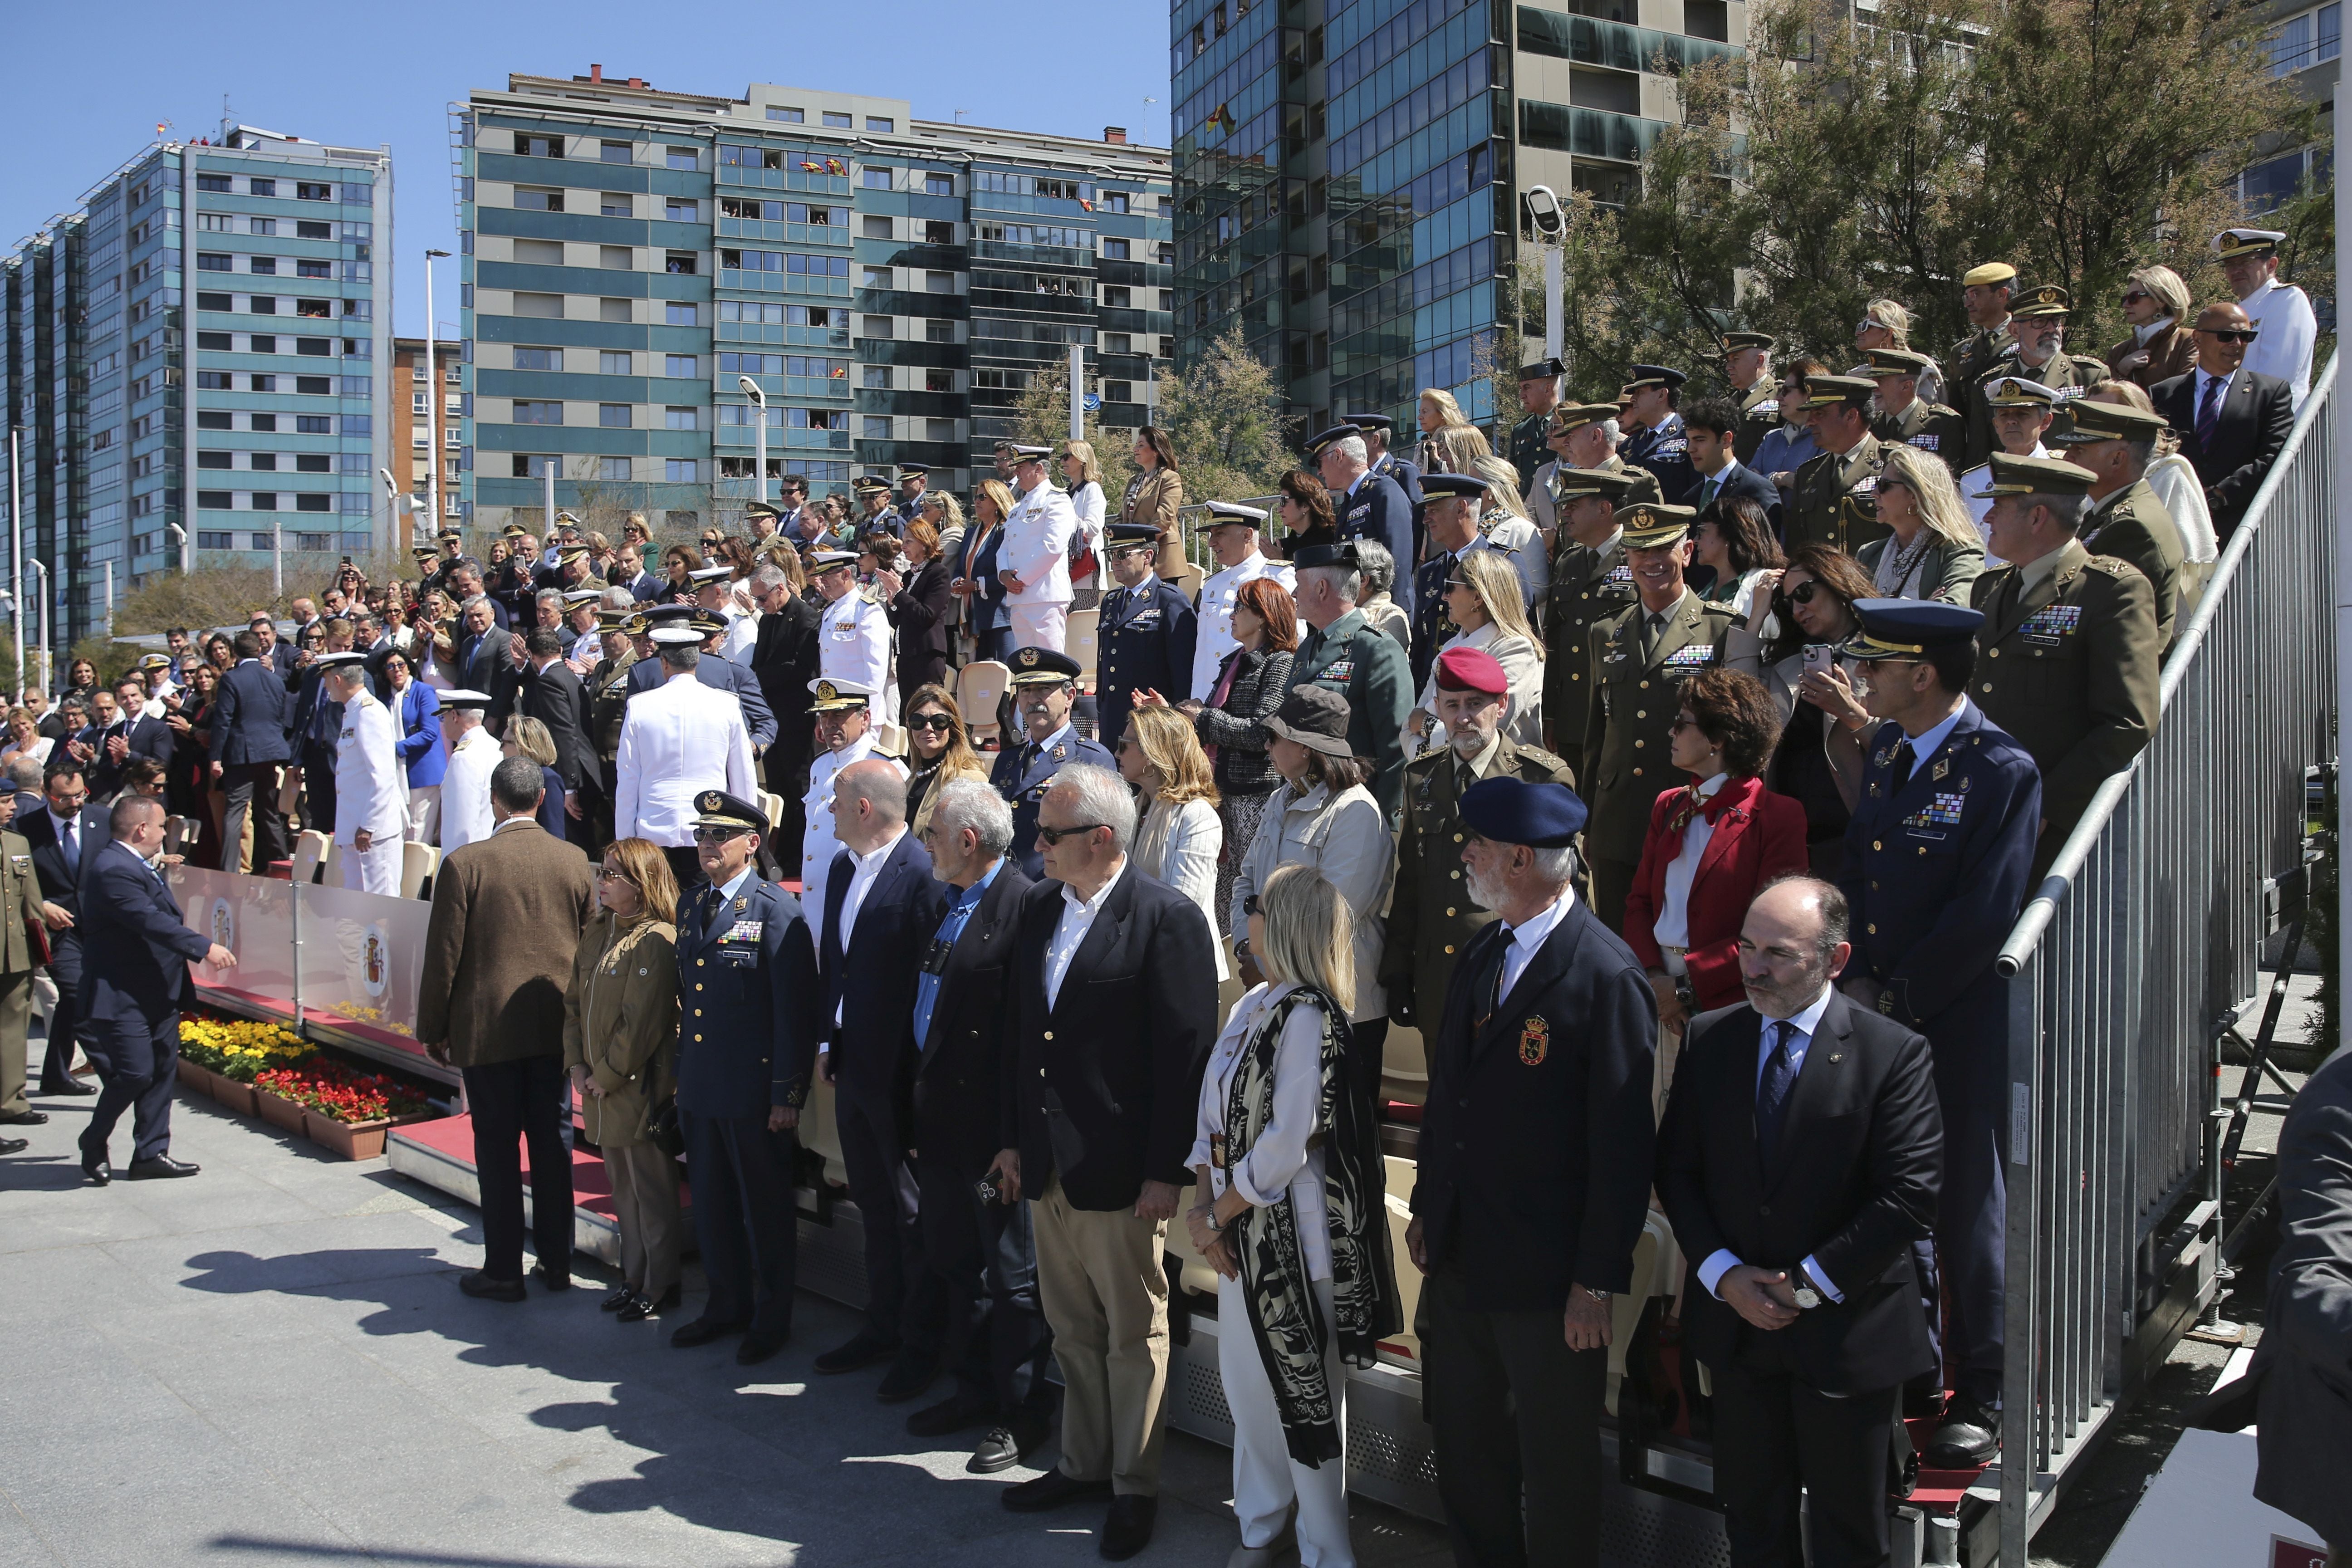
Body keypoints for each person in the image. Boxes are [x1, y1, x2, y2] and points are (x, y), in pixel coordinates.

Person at [1657, 876, 1944, 1568]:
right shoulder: (1710, 1039)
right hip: (1740, 1333)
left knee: (1850, 1536)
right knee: (1755, 1526)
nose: (1754, 968)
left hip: (1846, 1337)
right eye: (1747, 947)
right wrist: (1725, 1277)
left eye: (1778, 954)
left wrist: (1806, 1285)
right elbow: (1676, 1172)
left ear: (1835, 960)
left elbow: (1911, 1194)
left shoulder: (1893, 1053)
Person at [1406, 776, 1657, 1568]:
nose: (1465, 857)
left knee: (1553, 1465)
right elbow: (1448, 1099)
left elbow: (1621, 1149)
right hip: (1461, 1259)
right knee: (1465, 1446)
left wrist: (1593, 1280)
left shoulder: (1602, 974)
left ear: (1519, 857)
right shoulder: (1485, 947)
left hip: (1548, 1283)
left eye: (1476, 845)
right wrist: (1424, 1208)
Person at [1831, 598, 2041, 1469]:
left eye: (1875, 667)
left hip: (1949, 1019)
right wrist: (1849, 971)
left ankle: (1981, 1387)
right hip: (1878, 1005)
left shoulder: (1998, 768)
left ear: (1920, 675)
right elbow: (1861, 865)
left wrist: (1900, 995)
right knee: (1887, 1188)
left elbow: (1984, 909)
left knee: (1962, 1200)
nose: (1861, 679)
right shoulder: (1884, 748)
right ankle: (1912, 1365)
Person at [992, 764, 1217, 1559]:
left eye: (1050, 834)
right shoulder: (1039, 910)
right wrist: (1013, 1139)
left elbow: (1183, 1057)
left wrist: (1166, 1169)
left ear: (1100, 838)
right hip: (1051, 1164)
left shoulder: (1166, 919)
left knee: (1131, 1333)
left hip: (1122, 1171)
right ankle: (1081, 1462)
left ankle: (1133, 1484)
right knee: (1070, 1328)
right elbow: (1023, 1036)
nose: (1036, 846)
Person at [1190, 865, 1394, 1568]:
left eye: (1256, 904)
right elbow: (1210, 1117)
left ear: (1286, 924)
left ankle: (1325, 1552)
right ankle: (1260, 1525)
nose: (1246, 913)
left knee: (1304, 1402)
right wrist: (1202, 1204)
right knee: (1250, 1399)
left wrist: (1214, 1215)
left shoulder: (1308, 1016)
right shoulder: (1253, 1005)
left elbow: (1286, 1140)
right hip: (1234, 1227)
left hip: (1291, 1242)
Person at [902, 780, 1055, 1470]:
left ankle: (1021, 1411)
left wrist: (1014, 1140)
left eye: (934, 832)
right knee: (957, 1263)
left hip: (993, 1136)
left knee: (1012, 1277)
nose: (925, 842)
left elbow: (1026, 1039)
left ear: (968, 841)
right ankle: (972, 1387)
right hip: (942, 1125)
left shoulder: (1024, 906)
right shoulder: (950, 901)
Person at [417, 757, 595, 1297]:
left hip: (487, 1028)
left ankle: (503, 1270)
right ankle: (558, 1263)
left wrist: (434, 1026)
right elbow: (589, 950)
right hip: (552, 1027)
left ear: (495, 800)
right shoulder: (574, 860)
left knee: (496, 1149)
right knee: (552, 1142)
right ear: (542, 799)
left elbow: (444, 953)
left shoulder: (466, 863)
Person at [668, 789, 820, 1365]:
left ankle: (771, 1317)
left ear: (752, 845)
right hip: (704, 1084)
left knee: (765, 1209)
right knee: (711, 1203)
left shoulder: (774, 910)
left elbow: (793, 1012)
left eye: (720, 836)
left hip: (754, 1092)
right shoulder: (692, 905)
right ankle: (725, 1305)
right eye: (702, 834)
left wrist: (787, 1094)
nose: (707, 845)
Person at [1968, 452, 2160, 871]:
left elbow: (2127, 721)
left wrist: (2046, 807)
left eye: (1997, 508)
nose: (1987, 520)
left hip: (2048, 826)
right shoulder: (1991, 587)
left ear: (2037, 517)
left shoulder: (2111, 591)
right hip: (1982, 801)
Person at [1382, 646, 1577, 1061]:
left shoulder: (1540, 778)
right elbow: (1411, 882)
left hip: (1511, 980)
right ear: (1437, 707)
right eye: (1451, 705)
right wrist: (1398, 966)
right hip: (1440, 984)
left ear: (1502, 705)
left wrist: (1568, 978)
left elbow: (1572, 890)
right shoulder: (1421, 777)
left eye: (1476, 704)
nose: (1463, 717)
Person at [1622, 667, 1807, 1088]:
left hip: (1732, 1000)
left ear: (1717, 739)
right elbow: (1639, 904)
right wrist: (1654, 982)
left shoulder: (1778, 816)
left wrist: (1686, 987)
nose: (1670, 732)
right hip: (1656, 998)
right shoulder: (1669, 805)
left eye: (1681, 723)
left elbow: (1774, 930)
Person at [1230, 686, 1393, 1106]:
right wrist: (1250, 948)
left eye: (1275, 737)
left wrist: (1266, 961)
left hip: (1340, 1008)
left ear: (1303, 748)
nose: (1267, 746)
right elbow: (1245, 884)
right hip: (1280, 993)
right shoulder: (1279, 799)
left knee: (1339, 1149)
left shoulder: (1356, 811)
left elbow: (1332, 915)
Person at [1582, 503, 1737, 931]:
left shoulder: (1721, 630)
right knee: (1617, 942)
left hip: (1689, 816)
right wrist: (1591, 821)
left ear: (1687, 552)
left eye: (1662, 549)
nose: (1650, 562)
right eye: (1638, 551)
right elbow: (1599, 732)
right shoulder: (1605, 632)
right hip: (1618, 820)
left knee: (1680, 946)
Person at [76, 794, 237, 1184]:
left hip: (158, 990)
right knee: (135, 1073)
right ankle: (93, 1140)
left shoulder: (137, 864)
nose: (167, 834)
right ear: (142, 829)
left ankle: (151, 1153)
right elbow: (149, 921)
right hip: (123, 994)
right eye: (163, 826)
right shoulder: (113, 869)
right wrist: (205, 947)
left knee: (163, 1072)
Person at [563, 838, 683, 1322]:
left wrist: (606, 1076)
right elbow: (573, 1004)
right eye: (603, 871)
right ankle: (632, 1277)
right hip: (599, 1087)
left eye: (613, 875)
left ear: (643, 883)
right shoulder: (599, 931)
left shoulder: (658, 937)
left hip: (635, 1088)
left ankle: (661, 1282)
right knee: (623, 1190)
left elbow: (643, 1023)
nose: (602, 881)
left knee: (651, 1192)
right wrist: (577, 1065)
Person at [1152, 575, 1295, 936]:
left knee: (1254, 882)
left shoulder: (1278, 663)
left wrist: (1202, 717)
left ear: (1263, 616)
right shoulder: (1234, 660)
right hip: (1221, 789)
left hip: (1254, 794)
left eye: (1240, 608)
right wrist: (1171, 711)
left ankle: (1260, 960)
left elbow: (1262, 731)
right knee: (1223, 884)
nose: (1231, 615)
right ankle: (1227, 965)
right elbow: (1212, 722)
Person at [1728, 547, 1876, 881]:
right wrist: (1758, 614)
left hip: (1856, 829)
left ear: (1837, 582)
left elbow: (1910, 746)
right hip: (1792, 835)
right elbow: (1736, 703)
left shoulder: (1885, 652)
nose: (1797, 610)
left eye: (1805, 594)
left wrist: (1852, 714)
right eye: (1788, 603)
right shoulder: (1789, 662)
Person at [615, 626, 758, 891]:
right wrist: (746, 834)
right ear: (697, 660)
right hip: (709, 832)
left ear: (664, 663)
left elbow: (627, 780)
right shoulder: (726, 704)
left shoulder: (640, 706)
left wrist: (626, 844)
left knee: (659, 918)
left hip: (653, 832)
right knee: (702, 915)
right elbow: (743, 775)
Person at [2150, 299, 2298, 543]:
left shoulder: (2270, 392)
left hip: (2242, 528)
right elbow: (2153, 455)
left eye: (2246, 336)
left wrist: (2220, 495)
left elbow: (2274, 457)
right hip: (2176, 524)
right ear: (2198, 339)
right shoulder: (2163, 394)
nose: (2237, 344)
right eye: (2227, 336)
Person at [2050, 396, 2189, 650]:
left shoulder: (2133, 528)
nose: (2068, 456)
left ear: (2117, 460)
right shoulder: (2111, 511)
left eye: (2080, 450)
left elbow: (2095, 617)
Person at [1287, 543, 1412, 822]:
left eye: (1298, 584)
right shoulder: (1308, 648)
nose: (1294, 594)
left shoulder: (1376, 649)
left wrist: (1388, 823)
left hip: (1354, 811)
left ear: (1321, 589)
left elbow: (1396, 748)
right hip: (1307, 802)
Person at [1541, 466, 1642, 779]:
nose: (1564, 513)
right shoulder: (1568, 562)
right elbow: (1555, 641)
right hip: (1574, 715)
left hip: (1619, 714)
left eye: (1573, 505)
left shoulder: (1639, 557)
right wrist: (1551, 713)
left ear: (1605, 508)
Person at [1117, 705, 1227, 983]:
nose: (1117, 753)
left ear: (1152, 755)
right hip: (1135, 960)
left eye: (1124, 745)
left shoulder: (1197, 816)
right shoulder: (1133, 809)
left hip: (1182, 968)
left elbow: (1183, 904)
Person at [988, 649, 1114, 880]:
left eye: (1044, 689)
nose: (1033, 699)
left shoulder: (1090, 759)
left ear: (1070, 697)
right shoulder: (1007, 760)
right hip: (1005, 888)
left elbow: (1103, 845)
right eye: (1025, 690)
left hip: (1057, 890)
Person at [20, 768, 104, 1097]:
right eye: (64, 798)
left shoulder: (102, 819)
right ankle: (118, 1071)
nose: (74, 803)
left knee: (72, 1002)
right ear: (45, 792)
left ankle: (55, 1073)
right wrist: (42, 905)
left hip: (98, 926)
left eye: (80, 794)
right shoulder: (25, 829)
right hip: (57, 931)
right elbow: (15, 882)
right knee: (76, 992)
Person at [1412, 550, 1544, 754]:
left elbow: (1486, 731)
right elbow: (1408, 727)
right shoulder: (1449, 649)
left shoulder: (1518, 651)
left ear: (1477, 598)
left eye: (1451, 587)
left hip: (1504, 778)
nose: (1444, 596)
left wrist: (1427, 726)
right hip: (1448, 776)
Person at [801, 678, 904, 936]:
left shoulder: (885, 766)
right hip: (814, 901)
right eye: (824, 716)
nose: (830, 724)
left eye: (840, 715)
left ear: (866, 718)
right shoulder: (820, 766)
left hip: (855, 897)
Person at [1092, 522, 1197, 752]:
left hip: (1151, 717)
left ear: (1148, 555)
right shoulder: (1111, 601)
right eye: (1112, 555)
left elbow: (1184, 669)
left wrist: (1176, 714)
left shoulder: (1169, 600)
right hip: (1113, 716)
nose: (1115, 562)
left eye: (1122, 554)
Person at [316, 654, 407, 895]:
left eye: (326, 680)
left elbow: (384, 776)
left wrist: (368, 825)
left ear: (337, 680)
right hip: (356, 828)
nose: (325, 686)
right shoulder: (353, 712)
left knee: (381, 906)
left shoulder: (369, 712)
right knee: (359, 908)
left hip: (372, 832)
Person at [1856, 443, 1988, 605]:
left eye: (1884, 486)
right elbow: (1851, 616)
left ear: (1915, 495)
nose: (1874, 493)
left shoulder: (1960, 551)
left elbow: (1954, 611)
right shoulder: (1869, 553)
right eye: (1877, 484)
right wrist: (1923, 607)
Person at [1191, 501, 1296, 701]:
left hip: (1249, 696)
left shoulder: (1278, 577)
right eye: (1211, 535)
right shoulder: (1212, 585)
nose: (1211, 543)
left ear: (1247, 535)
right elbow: (1204, 651)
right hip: (1206, 696)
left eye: (1219, 534)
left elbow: (1291, 641)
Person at [1309, 426, 1416, 623]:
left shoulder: (1384, 490)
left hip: (1382, 614)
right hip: (1358, 613)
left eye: (1320, 462)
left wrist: (1392, 616)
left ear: (1339, 456)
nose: (1320, 471)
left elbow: (1398, 559)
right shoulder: (1351, 502)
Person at [1410, 471, 1507, 685]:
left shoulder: (1501, 565)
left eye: (1433, 510)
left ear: (1462, 509)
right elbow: (1421, 645)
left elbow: (1514, 633)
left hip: (1481, 689)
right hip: (1435, 692)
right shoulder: (1430, 571)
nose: (1426, 519)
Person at [210, 628, 294, 873]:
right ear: (260, 651)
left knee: (235, 812)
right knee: (269, 811)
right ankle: (282, 866)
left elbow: (223, 720)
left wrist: (215, 757)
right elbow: (280, 718)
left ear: (234, 652)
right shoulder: (275, 679)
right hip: (270, 753)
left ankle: (230, 870)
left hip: (242, 755)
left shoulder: (231, 678)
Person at [2215, 225, 2318, 410]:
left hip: (2275, 423)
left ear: (2271, 265)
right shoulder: (2237, 311)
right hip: (2237, 420)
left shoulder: (2287, 299)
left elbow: (2275, 376)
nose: (2236, 270)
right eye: (2230, 264)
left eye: (2246, 262)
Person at [1785, 374, 1888, 556]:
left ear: (1851, 416)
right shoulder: (1808, 474)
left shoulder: (1894, 464)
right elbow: (1797, 546)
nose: (1809, 422)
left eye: (1820, 414)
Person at [0, 783, 48, 1141]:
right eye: (4, 802)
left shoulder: (16, 844)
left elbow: (31, 900)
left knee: (14, 1028)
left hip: (15, 952)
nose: (12, 807)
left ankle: (13, 1101)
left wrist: (40, 948)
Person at [1957, 375, 2060, 540]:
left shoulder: (2066, 475)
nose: (2011, 421)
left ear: (2046, 421)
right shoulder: (1973, 482)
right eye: (2004, 415)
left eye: (2023, 414)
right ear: (1996, 424)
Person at [998, 446, 1078, 652]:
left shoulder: (1057, 500)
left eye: (1022, 467)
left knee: (1051, 660)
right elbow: (1004, 548)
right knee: (1026, 664)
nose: (1016, 472)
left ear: (1039, 468)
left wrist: (1020, 579)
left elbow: (1053, 547)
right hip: (1019, 596)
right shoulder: (1017, 508)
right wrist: (1004, 575)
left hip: (1045, 595)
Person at [810, 548, 897, 726]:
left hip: (860, 714)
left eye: (827, 575)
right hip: (833, 710)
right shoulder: (830, 612)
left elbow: (876, 669)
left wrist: (866, 713)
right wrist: (823, 717)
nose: (822, 581)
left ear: (846, 574)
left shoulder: (867, 611)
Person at [878, 518, 955, 706]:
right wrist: (892, 601)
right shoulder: (909, 575)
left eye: (909, 542)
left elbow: (927, 615)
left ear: (924, 543)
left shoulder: (938, 573)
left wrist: (899, 593)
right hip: (905, 654)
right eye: (903, 541)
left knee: (930, 708)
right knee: (908, 712)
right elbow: (899, 620)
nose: (903, 546)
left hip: (927, 653)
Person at [902, 684, 991, 839]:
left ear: (953, 726)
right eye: (918, 721)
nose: (928, 728)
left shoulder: (969, 779)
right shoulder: (911, 779)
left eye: (939, 721)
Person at [1680, 397, 1782, 526]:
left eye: (1700, 440)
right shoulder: (1690, 498)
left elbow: (1767, 545)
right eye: (1689, 441)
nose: (1690, 449)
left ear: (1726, 440)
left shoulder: (1757, 491)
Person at [381, 651, 445, 843]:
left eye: (400, 665)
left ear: (409, 666)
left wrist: (395, 748)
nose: (397, 671)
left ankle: (416, 874)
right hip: (397, 773)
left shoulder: (424, 691)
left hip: (423, 773)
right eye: (391, 667)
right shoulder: (386, 698)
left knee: (417, 833)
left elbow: (430, 732)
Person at [952, 479, 1016, 665]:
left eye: (983, 497)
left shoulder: (1005, 531)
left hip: (1001, 614)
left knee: (1006, 669)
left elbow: (1010, 571)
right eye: (976, 498)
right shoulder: (970, 533)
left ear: (997, 501)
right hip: (977, 616)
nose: (977, 502)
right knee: (983, 671)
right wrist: (958, 582)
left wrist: (977, 585)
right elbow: (960, 567)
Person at [2104, 264, 2197, 388]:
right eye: (2124, 299)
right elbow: (2099, 397)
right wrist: (2121, 371)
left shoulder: (2189, 341)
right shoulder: (2119, 351)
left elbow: (2185, 394)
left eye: (2133, 298)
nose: (2126, 305)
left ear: (2160, 300)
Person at [1862, 347, 1965, 458]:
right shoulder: (1870, 425)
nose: (1874, 388)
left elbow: (1951, 473)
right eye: (1873, 381)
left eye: (1880, 381)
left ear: (1906, 386)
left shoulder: (1942, 423)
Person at [1691, 494, 1784, 616]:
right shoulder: (1703, 594)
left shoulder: (1769, 585)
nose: (1695, 540)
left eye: (1702, 531)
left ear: (1730, 533)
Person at [435, 689, 502, 855]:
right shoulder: (495, 747)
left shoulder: (463, 757)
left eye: (443, 717)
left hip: (466, 860)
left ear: (454, 716)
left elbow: (461, 827)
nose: (442, 724)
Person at [1621, 363, 1698, 501]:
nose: (1633, 399)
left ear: (1661, 395)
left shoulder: (1690, 435)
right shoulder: (1629, 445)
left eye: (1640, 393)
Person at [1121, 426, 1188, 581]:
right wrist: (1118, 537)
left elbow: (1164, 516)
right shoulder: (1134, 481)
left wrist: (1142, 544)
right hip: (1134, 557)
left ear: (1156, 451)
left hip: (1161, 560)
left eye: (1141, 445)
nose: (1135, 449)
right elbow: (1123, 516)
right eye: (1136, 445)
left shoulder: (1169, 478)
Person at [1750, 360, 1824, 490]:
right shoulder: (1771, 439)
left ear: (1809, 394)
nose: (1779, 398)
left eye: (1786, 391)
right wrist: (1778, 479)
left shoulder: (1827, 440)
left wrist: (1763, 479)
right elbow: (1749, 482)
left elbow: (1814, 487)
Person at [503, 716, 571, 843]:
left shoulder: (548, 779)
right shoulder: (513, 777)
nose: (501, 749)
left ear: (522, 745)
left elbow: (554, 834)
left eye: (504, 743)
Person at [1059, 441, 1109, 613]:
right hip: (1065, 568)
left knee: (1083, 619)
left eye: (1067, 456)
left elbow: (1093, 527)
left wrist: (1063, 523)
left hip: (1085, 568)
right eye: (1062, 457)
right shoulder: (1065, 494)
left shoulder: (1092, 489)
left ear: (1082, 460)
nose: (1063, 461)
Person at [1507, 356, 1565, 486]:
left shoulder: (1570, 422)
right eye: (1521, 388)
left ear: (1547, 390)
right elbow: (1513, 478)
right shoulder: (1520, 430)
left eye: (1527, 388)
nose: (1522, 395)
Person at [0, 707, 52, 773]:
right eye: (16, 726)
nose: (21, 728)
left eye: (24, 723)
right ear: (13, 730)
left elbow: (45, 767)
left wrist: (24, 754)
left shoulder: (48, 743)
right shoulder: (8, 750)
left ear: (33, 722)